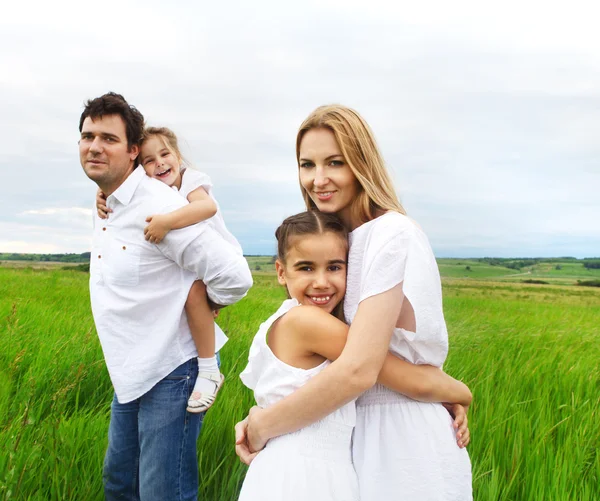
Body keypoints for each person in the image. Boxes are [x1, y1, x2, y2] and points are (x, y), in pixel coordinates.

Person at [235, 105, 473, 500]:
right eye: (307, 165)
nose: (318, 179)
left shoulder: (391, 233)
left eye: (335, 162)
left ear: (361, 163)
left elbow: (359, 369)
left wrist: (453, 391)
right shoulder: (342, 241)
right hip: (348, 437)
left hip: (401, 437)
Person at [79, 92, 252, 501]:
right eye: (88, 136)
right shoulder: (108, 204)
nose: (95, 146)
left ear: (132, 150)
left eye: (109, 138)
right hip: (131, 373)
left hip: (172, 372)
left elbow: (236, 277)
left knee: (163, 493)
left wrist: (203, 306)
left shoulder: (161, 207)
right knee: (120, 485)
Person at [96, 126, 240, 413]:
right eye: (149, 160)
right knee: (190, 297)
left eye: (165, 154)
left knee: (194, 294)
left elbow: (206, 208)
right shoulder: (156, 190)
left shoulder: (191, 180)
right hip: (194, 266)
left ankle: (209, 370)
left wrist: (167, 222)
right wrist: (101, 195)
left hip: (220, 257)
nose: (160, 163)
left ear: (178, 156)